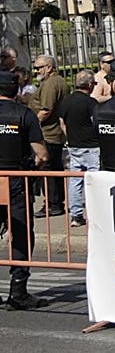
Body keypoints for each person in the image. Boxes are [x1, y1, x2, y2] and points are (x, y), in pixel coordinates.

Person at [0, 71, 49, 310]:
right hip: (16, 181)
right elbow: (42, 155)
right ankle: (18, 291)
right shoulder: (25, 115)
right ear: (17, 91)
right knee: (20, 235)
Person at [58, 69, 99, 228]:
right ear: (89, 85)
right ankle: (95, 213)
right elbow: (96, 123)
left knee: (75, 181)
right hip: (92, 147)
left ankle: (76, 215)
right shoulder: (91, 103)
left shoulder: (66, 101)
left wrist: (71, 136)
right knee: (95, 181)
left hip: (74, 147)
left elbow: (62, 122)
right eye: (94, 83)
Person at [30, 55, 68, 217]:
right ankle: (55, 202)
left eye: (39, 67)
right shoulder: (56, 82)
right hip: (53, 133)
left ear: (49, 67)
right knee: (54, 169)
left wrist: (33, 127)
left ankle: (52, 204)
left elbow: (46, 109)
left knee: (48, 170)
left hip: (48, 134)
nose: (37, 70)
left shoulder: (51, 84)